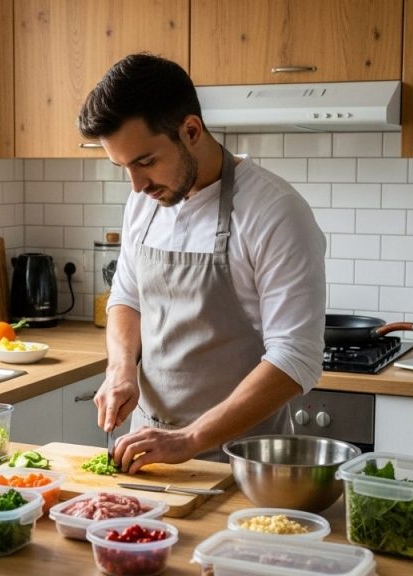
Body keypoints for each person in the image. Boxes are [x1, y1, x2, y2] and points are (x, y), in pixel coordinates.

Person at [78, 53, 327, 473]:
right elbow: (127, 295)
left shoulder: (275, 211)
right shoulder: (146, 200)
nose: (136, 185)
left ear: (190, 130)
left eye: (144, 161)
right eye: (122, 167)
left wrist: (190, 438)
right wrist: (121, 369)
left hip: (243, 464)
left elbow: (295, 358)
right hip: (149, 451)